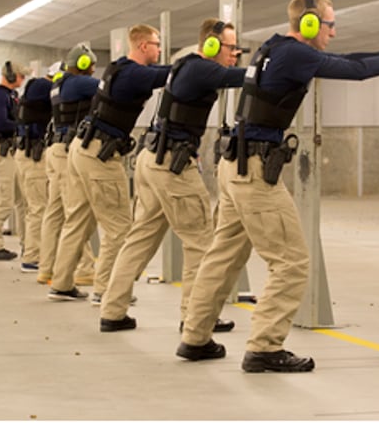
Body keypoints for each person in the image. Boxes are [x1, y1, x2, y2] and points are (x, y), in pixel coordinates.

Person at [176, 0, 379, 372]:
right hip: (253, 172)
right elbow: (355, 71)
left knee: (223, 257)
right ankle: (264, 347)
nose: (333, 31)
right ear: (311, 24)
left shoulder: (274, 49)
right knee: (292, 262)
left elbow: (347, 60)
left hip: (234, 168)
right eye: (330, 24)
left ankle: (195, 337)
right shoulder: (295, 55)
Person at [99, 19, 245, 333]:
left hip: (152, 160)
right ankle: (196, 317)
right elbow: (243, 77)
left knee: (139, 239)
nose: (236, 53)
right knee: (202, 242)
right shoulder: (203, 69)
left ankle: (112, 310)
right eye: (232, 47)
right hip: (173, 166)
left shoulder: (188, 66)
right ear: (211, 46)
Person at [47, 24, 171, 301]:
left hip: (81, 148)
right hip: (99, 154)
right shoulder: (135, 73)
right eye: (156, 44)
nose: (159, 50)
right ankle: (106, 290)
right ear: (142, 46)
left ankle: (62, 283)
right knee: (120, 228)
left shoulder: (117, 68)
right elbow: (169, 75)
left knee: (76, 220)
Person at [38, 49, 98, 286]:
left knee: (55, 213)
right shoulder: (78, 82)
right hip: (66, 153)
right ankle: (83, 268)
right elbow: (109, 90)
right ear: (82, 64)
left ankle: (47, 268)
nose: (94, 68)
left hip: (55, 150)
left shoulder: (58, 84)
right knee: (77, 212)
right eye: (91, 64)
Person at [0, 62, 31, 259]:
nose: (22, 79)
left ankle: (29, 244)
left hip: (11, 151)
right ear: (12, 76)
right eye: (21, 76)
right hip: (1, 152)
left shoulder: (11, 96)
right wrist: (22, 126)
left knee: (22, 201)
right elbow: (1, 123)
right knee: (3, 200)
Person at [14, 65, 54, 272]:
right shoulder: (43, 88)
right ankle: (33, 256)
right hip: (34, 156)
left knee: (31, 207)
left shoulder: (33, 87)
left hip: (26, 153)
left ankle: (30, 250)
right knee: (39, 207)